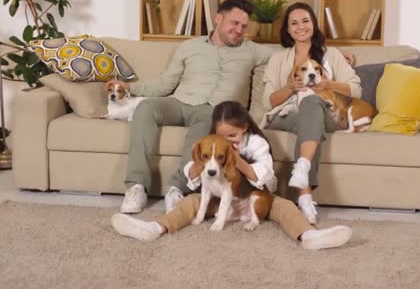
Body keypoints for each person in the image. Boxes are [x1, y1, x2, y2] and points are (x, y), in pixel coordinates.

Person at [118, 0, 356, 215]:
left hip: (211, 109)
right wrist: (130, 88)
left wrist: (336, 54)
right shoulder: (189, 47)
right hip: (179, 101)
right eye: (234, 24)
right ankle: (136, 186)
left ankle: (177, 188)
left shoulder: (253, 50)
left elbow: (294, 52)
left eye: (244, 26)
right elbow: (164, 83)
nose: (239, 30)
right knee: (146, 107)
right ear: (218, 19)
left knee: (206, 124)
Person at [111, 101, 352, 250]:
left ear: (245, 128)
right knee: (190, 202)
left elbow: (266, 177)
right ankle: (154, 228)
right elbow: (192, 176)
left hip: (255, 199)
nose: (227, 141)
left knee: (285, 206)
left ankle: (309, 235)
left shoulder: (256, 144)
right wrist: (199, 165)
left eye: (233, 136)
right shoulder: (211, 145)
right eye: (221, 136)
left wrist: (238, 162)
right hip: (220, 200)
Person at [262, 2, 362, 224]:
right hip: (285, 115)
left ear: (314, 25)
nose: (300, 27)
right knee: (310, 125)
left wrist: (328, 83)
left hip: (325, 113)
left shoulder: (332, 55)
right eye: (294, 23)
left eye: (305, 21)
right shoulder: (278, 59)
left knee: (311, 105)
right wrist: (290, 87)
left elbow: (356, 88)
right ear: (287, 30)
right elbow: (268, 101)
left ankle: (303, 177)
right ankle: (305, 194)